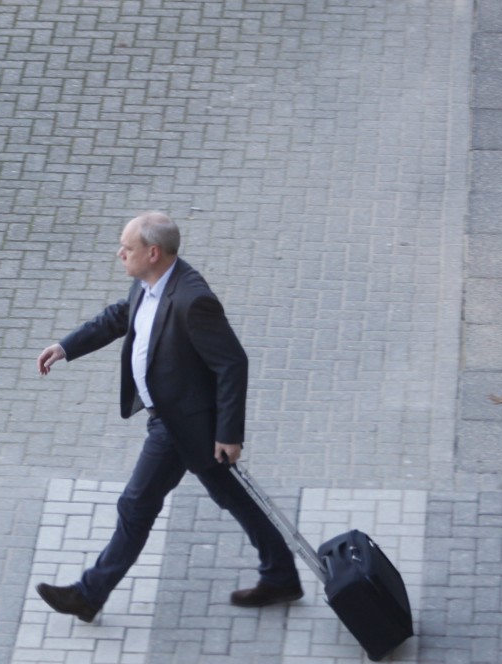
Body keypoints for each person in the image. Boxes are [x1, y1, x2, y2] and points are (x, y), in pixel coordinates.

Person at [33, 211, 302, 623]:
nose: (119, 253)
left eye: (127, 247)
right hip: (171, 418)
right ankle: (281, 575)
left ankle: (89, 595)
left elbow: (233, 364)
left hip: (187, 425)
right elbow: (120, 317)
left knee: (136, 504)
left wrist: (228, 434)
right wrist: (66, 346)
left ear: (153, 252)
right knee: (231, 497)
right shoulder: (148, 283)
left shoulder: (194, 301)